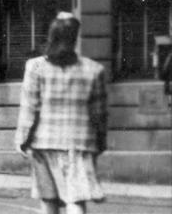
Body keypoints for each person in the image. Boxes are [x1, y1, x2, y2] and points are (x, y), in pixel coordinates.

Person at [15, 12, 108, 214]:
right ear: (76, 37)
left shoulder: (35, 67)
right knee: (75, 199)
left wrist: (22, 140)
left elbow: (29, 108)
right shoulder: (94, 70)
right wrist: (100, 142)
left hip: (42, 142)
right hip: (80, 142)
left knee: (49, 201)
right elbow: (99, 115)